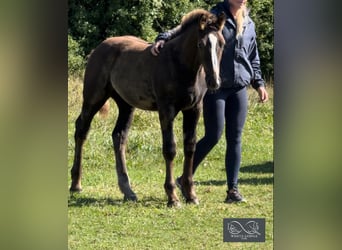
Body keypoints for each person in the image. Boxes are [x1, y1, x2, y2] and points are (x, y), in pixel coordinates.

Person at [151, 0, 269, 203]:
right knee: (214, 135)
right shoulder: (214, 16)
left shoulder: (249, 22)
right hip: (216, 86)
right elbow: (183, 28)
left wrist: (258, 82)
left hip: (240, 85)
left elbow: (253, 53)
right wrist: (163, 37)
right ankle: (185, 178)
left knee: (235, 138)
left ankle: (233, 190)